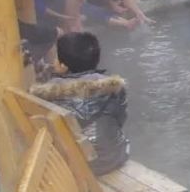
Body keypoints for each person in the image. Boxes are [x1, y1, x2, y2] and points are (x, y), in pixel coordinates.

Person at [29, 32, 129, 175]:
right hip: (113, 157)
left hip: (72, 165)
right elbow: (120, 119)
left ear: (63, 66)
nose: (53, 61)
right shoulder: (113, 87)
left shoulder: (47, 93)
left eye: (56, 58)